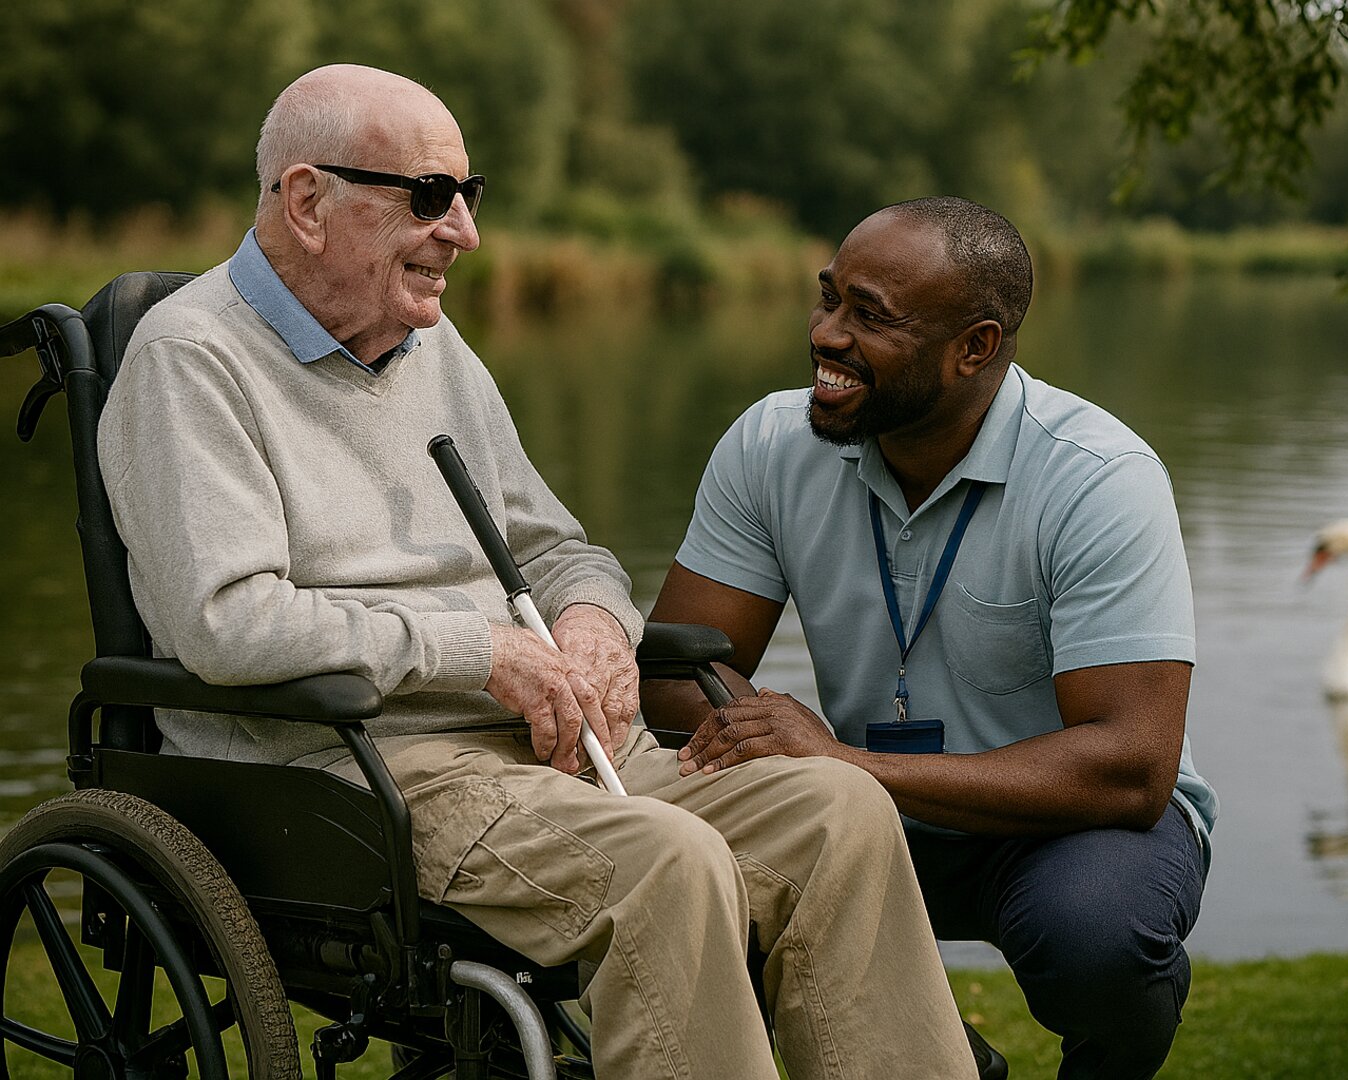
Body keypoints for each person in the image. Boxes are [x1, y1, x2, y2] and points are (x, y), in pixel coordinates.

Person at [97, 65, 976, 1080]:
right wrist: (485, 656)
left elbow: (558, 549)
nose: (464, 233)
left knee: (839, 809)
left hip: (547, 752)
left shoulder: (430, 347)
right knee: (672, 869)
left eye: (472, 197)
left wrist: (597, 623)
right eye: (429, 197)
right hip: (356, 775)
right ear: (306, 202)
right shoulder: (191, 361)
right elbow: (229, 624)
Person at [645, 196, 1218, 1079]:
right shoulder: (770, 444)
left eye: (870, 316)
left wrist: (844, 763)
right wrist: (763, 731)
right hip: (861, 812)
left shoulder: (1101, 479)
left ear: (975, 349)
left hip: (1072, 822)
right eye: (829, 297)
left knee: (1094, 937)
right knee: (699, 890)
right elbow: (675, 670)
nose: (827, 335)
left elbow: (1133, 765)